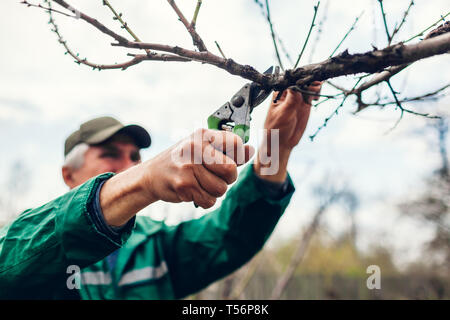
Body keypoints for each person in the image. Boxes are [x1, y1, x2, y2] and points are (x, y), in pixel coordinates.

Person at [0, 84, 321, 299]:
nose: (128, 164)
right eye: (110, 153)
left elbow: (230, 237)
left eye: (136, 158)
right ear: (68, 175)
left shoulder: (158, 247)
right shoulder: (33, 244)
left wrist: (276, 149)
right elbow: (8, 269)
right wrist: (144, 179)